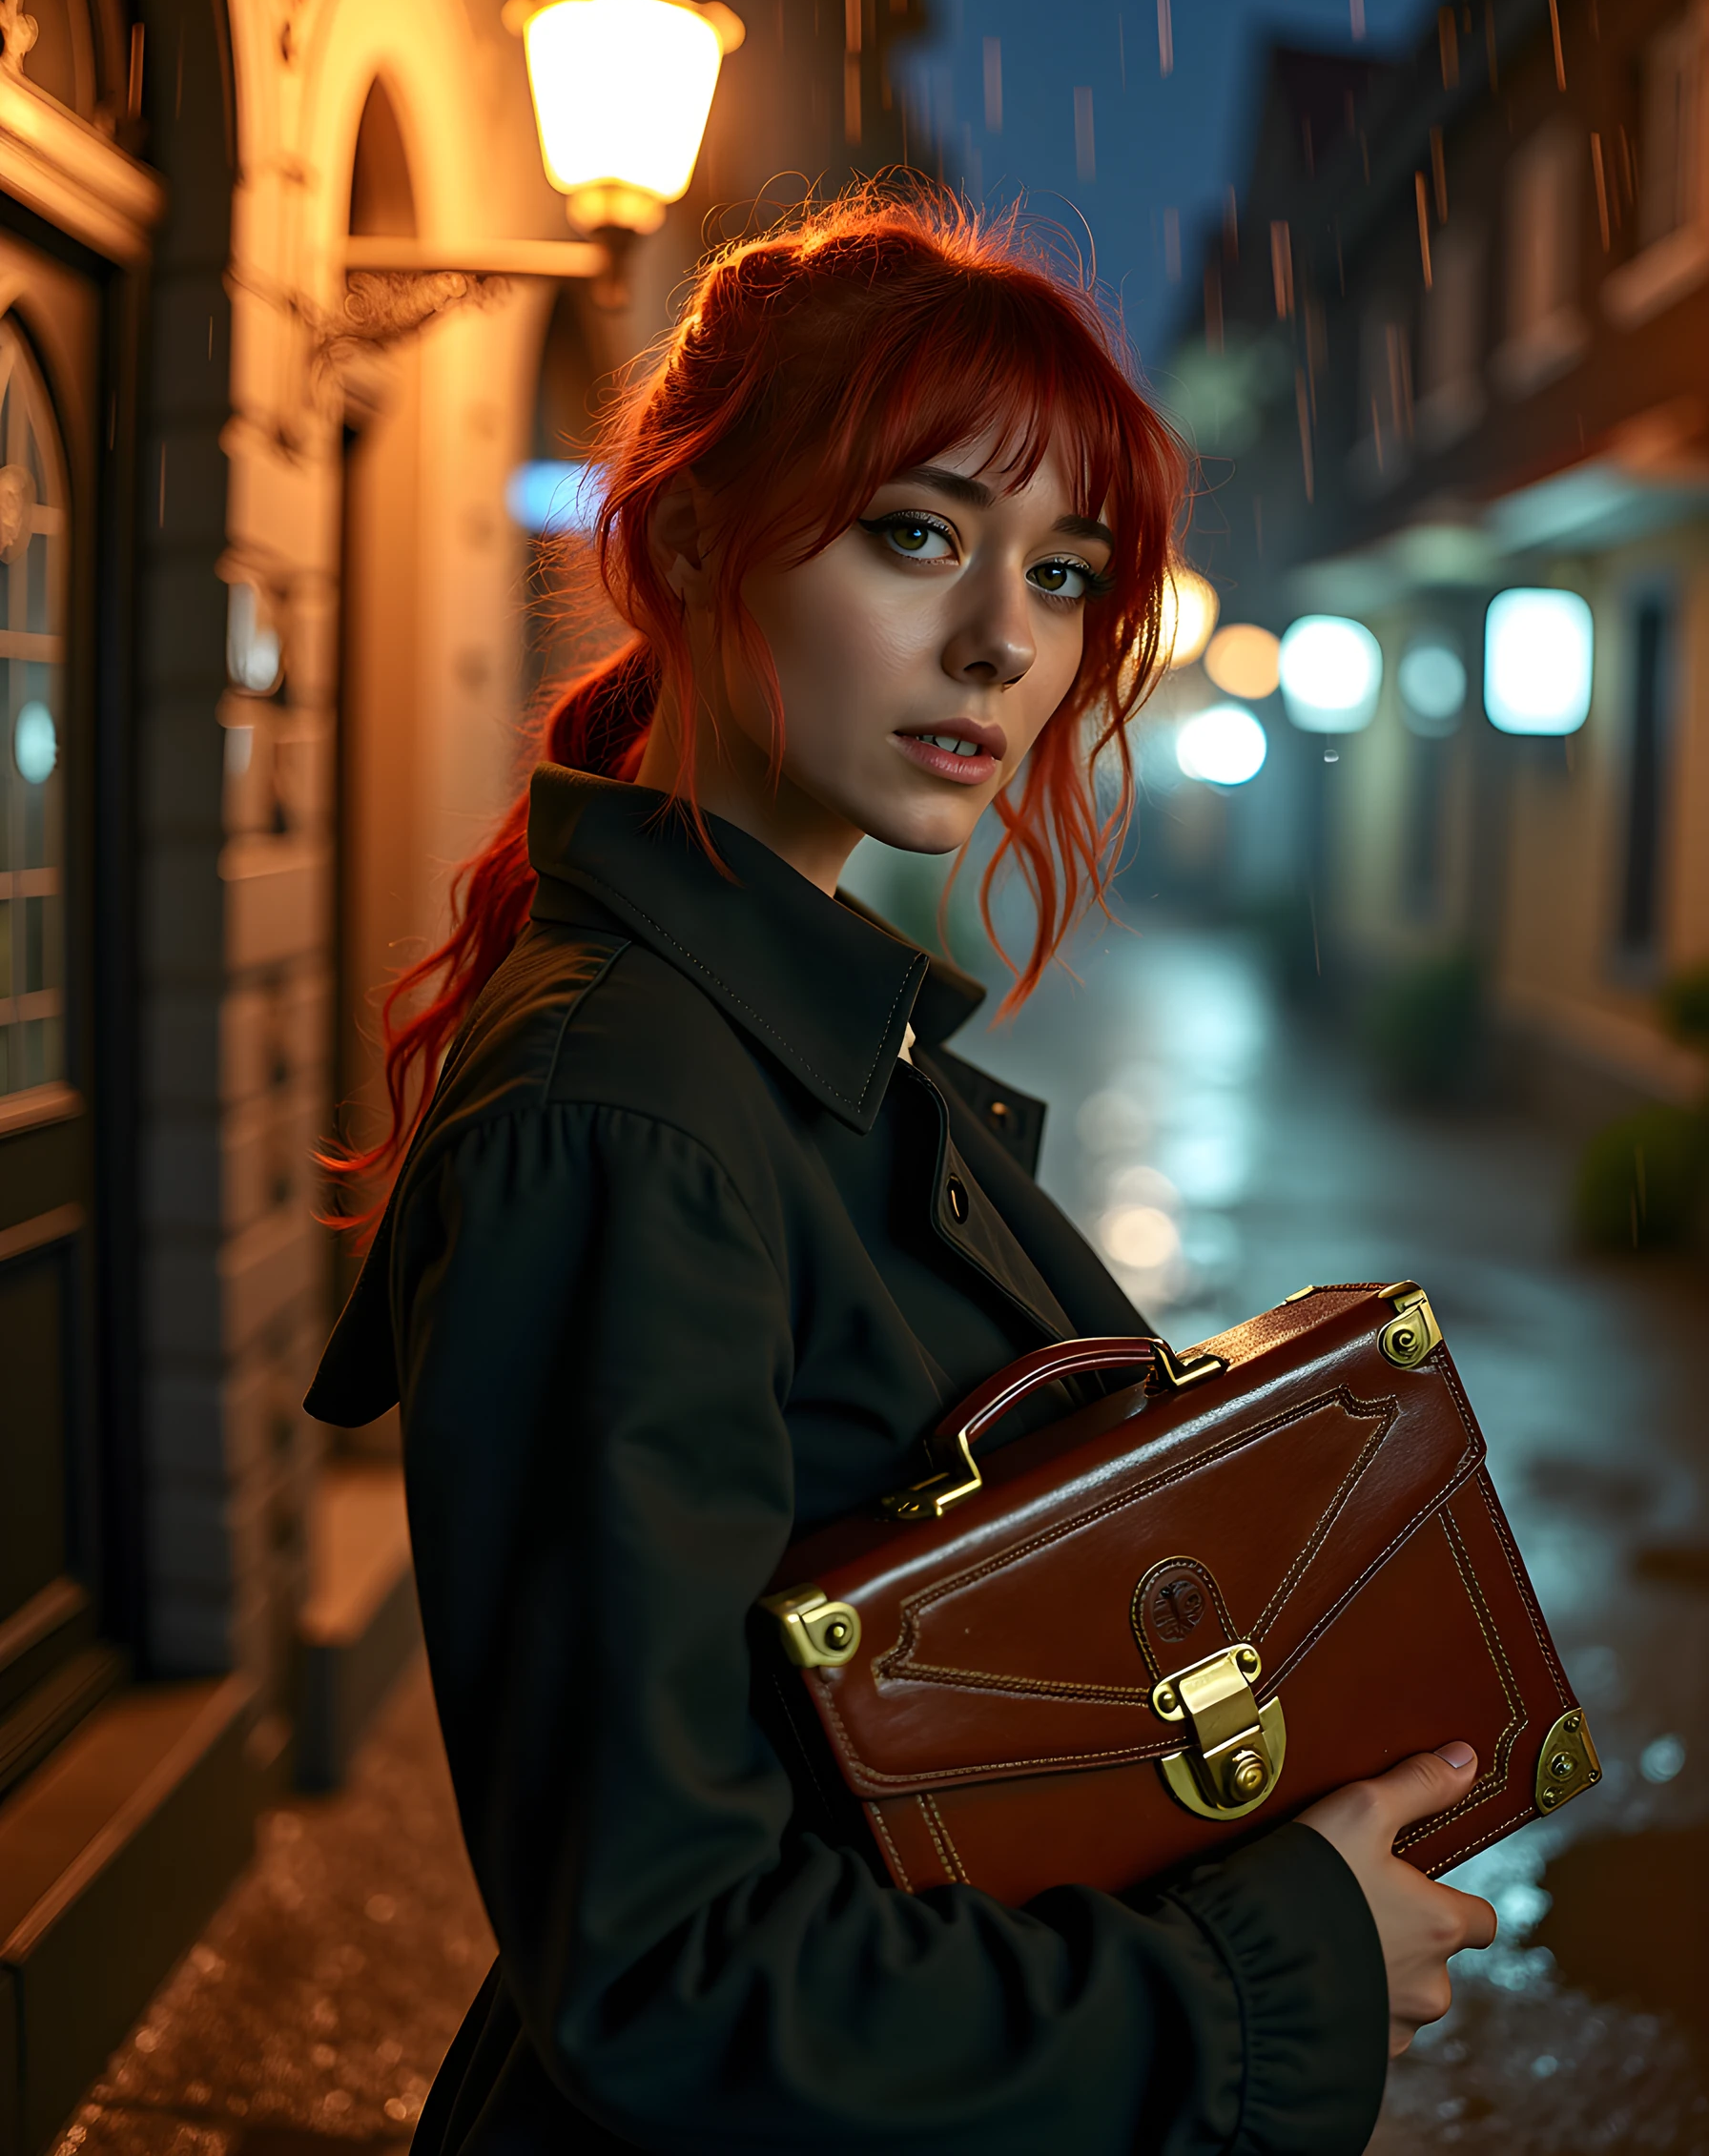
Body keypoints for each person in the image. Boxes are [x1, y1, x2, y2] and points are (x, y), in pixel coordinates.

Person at [308, 190, 1495, 2155]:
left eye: (1061, 571)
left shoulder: (787, 1041)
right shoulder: (630, 1115)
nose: (999, 641)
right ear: (685, 542)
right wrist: (1269, 1974)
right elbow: (661, 1973)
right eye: (916, 533)